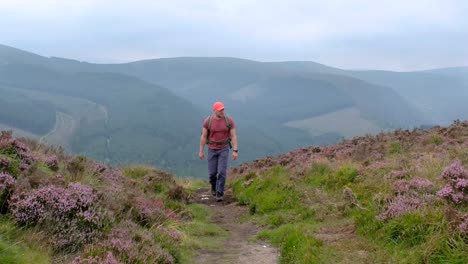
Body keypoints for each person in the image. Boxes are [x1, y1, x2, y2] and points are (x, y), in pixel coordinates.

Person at [199, 101, 238, 202]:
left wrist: (235, 150)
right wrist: (201, 151)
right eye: (220, 110)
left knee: (221, 172)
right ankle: (213, 186)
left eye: (223, 109)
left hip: (224, 149)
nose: (222, 111)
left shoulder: (229, 121)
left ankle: (220, 193)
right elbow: (203, 136)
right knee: (212, 174)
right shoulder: (208, 121)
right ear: (215, 110)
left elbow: (233, 136)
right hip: (211, 149)